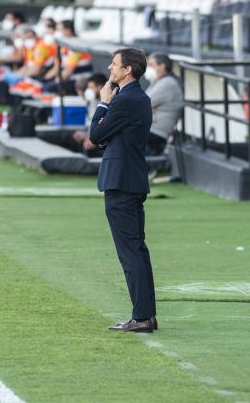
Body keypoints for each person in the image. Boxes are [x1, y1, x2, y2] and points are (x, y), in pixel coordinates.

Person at [89, 48, 157, 332]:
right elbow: (113, 138)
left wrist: (103, 104)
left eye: (115, 64)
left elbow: (96, 136)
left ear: (128, 70)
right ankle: (146, 315)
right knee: (138, 250)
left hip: (121, 182)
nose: (110, 68)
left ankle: (141, 317)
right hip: (133, 179)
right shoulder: (139, 98)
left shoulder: (123, 100)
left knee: (130, 253)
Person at [143, 53, 183, 155]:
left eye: (151, 65)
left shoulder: (168, 83)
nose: (148, 68)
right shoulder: (158, 82)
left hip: (156, 131)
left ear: (162, 66)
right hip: (149, 128)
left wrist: (147, 109)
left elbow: (141, 104)